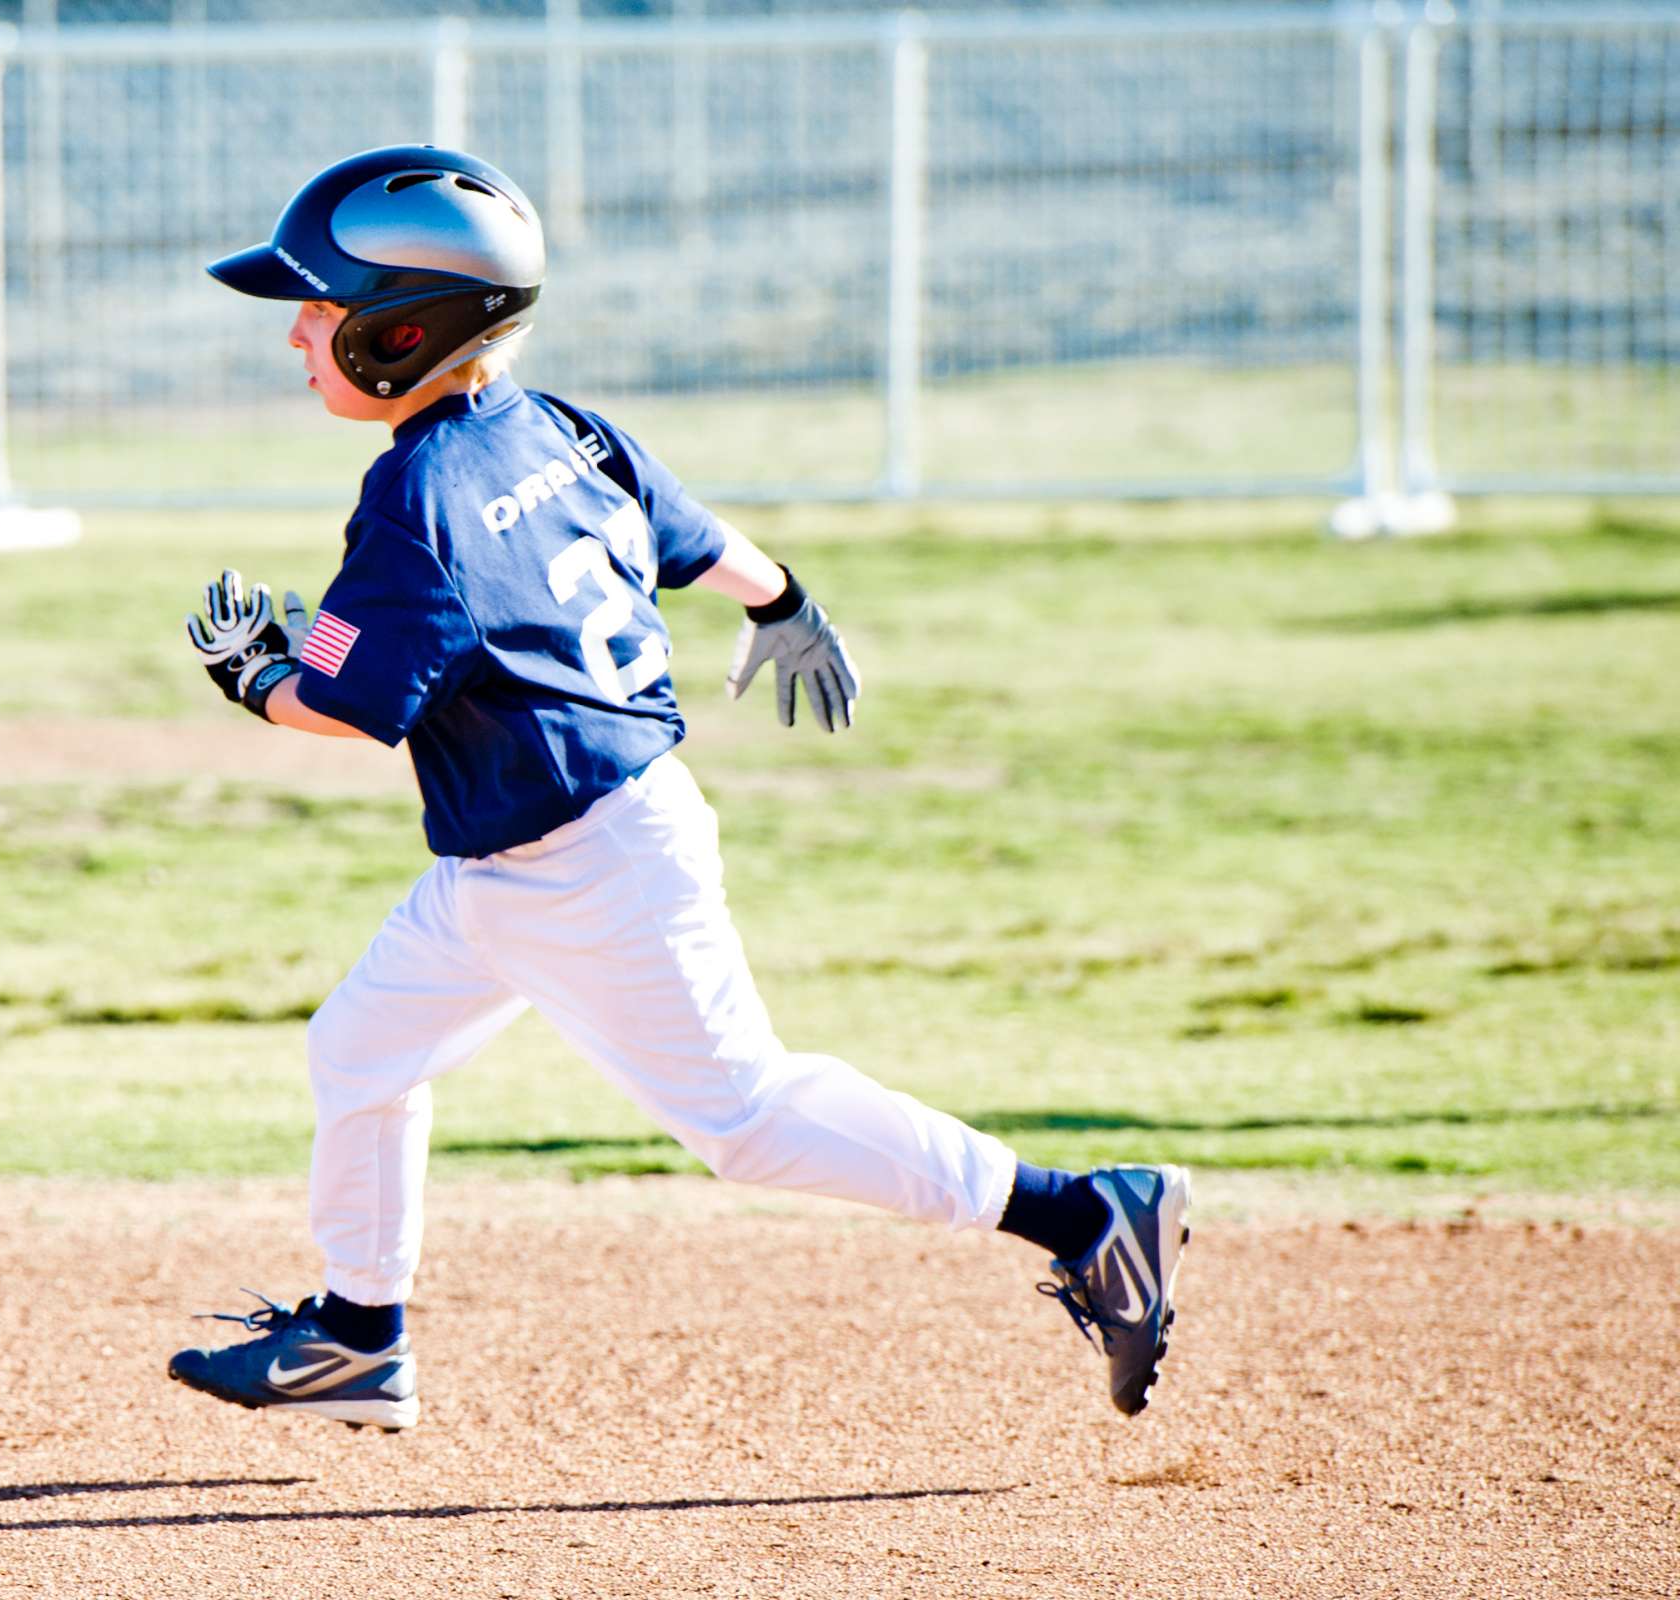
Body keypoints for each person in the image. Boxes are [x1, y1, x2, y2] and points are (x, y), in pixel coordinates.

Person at [169, 145, 1189, 1432]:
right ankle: (361, 1337)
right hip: (526, 858)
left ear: (401, 326)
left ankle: (1086, 1211)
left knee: (747, 1119)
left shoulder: (416, 495)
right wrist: (787, 602)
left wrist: (255, 672)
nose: (299, 334)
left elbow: (349, 700)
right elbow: (694, 535)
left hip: (585, 867)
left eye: (319, 309)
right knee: (361, 1051)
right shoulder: (559, 428)